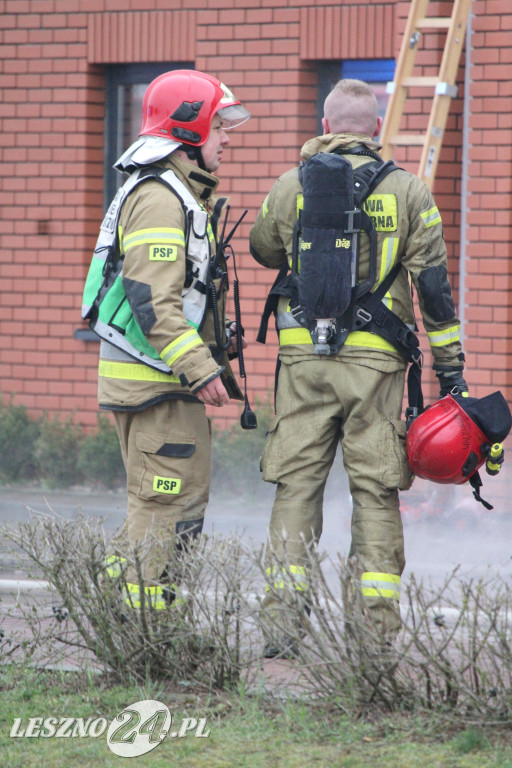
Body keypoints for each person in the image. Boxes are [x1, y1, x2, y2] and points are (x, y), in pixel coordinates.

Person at [249, 78, 467, 656]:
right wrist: (452, 375)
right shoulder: (409, 191)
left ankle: (279, 631)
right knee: (374, 492)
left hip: (302, 361)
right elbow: (436, 292)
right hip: (376, 364)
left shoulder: (290, 184)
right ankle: (372, 638)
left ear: (324, 127)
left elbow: (262, 249)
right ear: (375, 131)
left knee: (296, 486)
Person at [81, 69, 250, 610]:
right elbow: (152, 299)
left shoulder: (175, 192)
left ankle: (104, 607)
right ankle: (146, 634)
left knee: (154, 507)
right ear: (191, 130)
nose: (228, 138)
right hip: (157, 386)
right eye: (220, 127)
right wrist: (200, 368)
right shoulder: (159, 198)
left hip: (159, 386)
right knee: (164, 511)